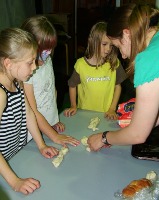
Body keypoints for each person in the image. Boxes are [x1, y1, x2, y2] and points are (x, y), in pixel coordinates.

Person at [87, 4, 159, 151]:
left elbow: (138, 134)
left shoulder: (147, 59)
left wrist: (104, 137)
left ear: (127, 34)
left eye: (118, 46)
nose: (124, 55)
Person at [0, 28, 59, 194]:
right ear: (8, 63)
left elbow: (29, 114)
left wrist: (41, 145)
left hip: (15, 157)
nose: (34, 67)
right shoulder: (0, 94)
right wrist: (15, 182)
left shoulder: (17, 82)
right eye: (29, 62)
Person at [21, 16, 80, 146]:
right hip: (32, 134)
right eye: (42, 50)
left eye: (50, 49)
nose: (47, 54)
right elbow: (32, 111)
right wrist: (54, 136)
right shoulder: (26, 74)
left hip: (49, 126)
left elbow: (51, 91)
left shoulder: (47, 61)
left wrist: (53, 120)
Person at [64, 21, 127, 119]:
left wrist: (112, 109)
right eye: (104, 44)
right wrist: (73, 105)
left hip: (106, 114)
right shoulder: (80, 65)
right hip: (84, 114)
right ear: (92, 41)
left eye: (111, 45)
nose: (108, 49)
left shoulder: (114, 63)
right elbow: (72, 85)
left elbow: (117, 87)